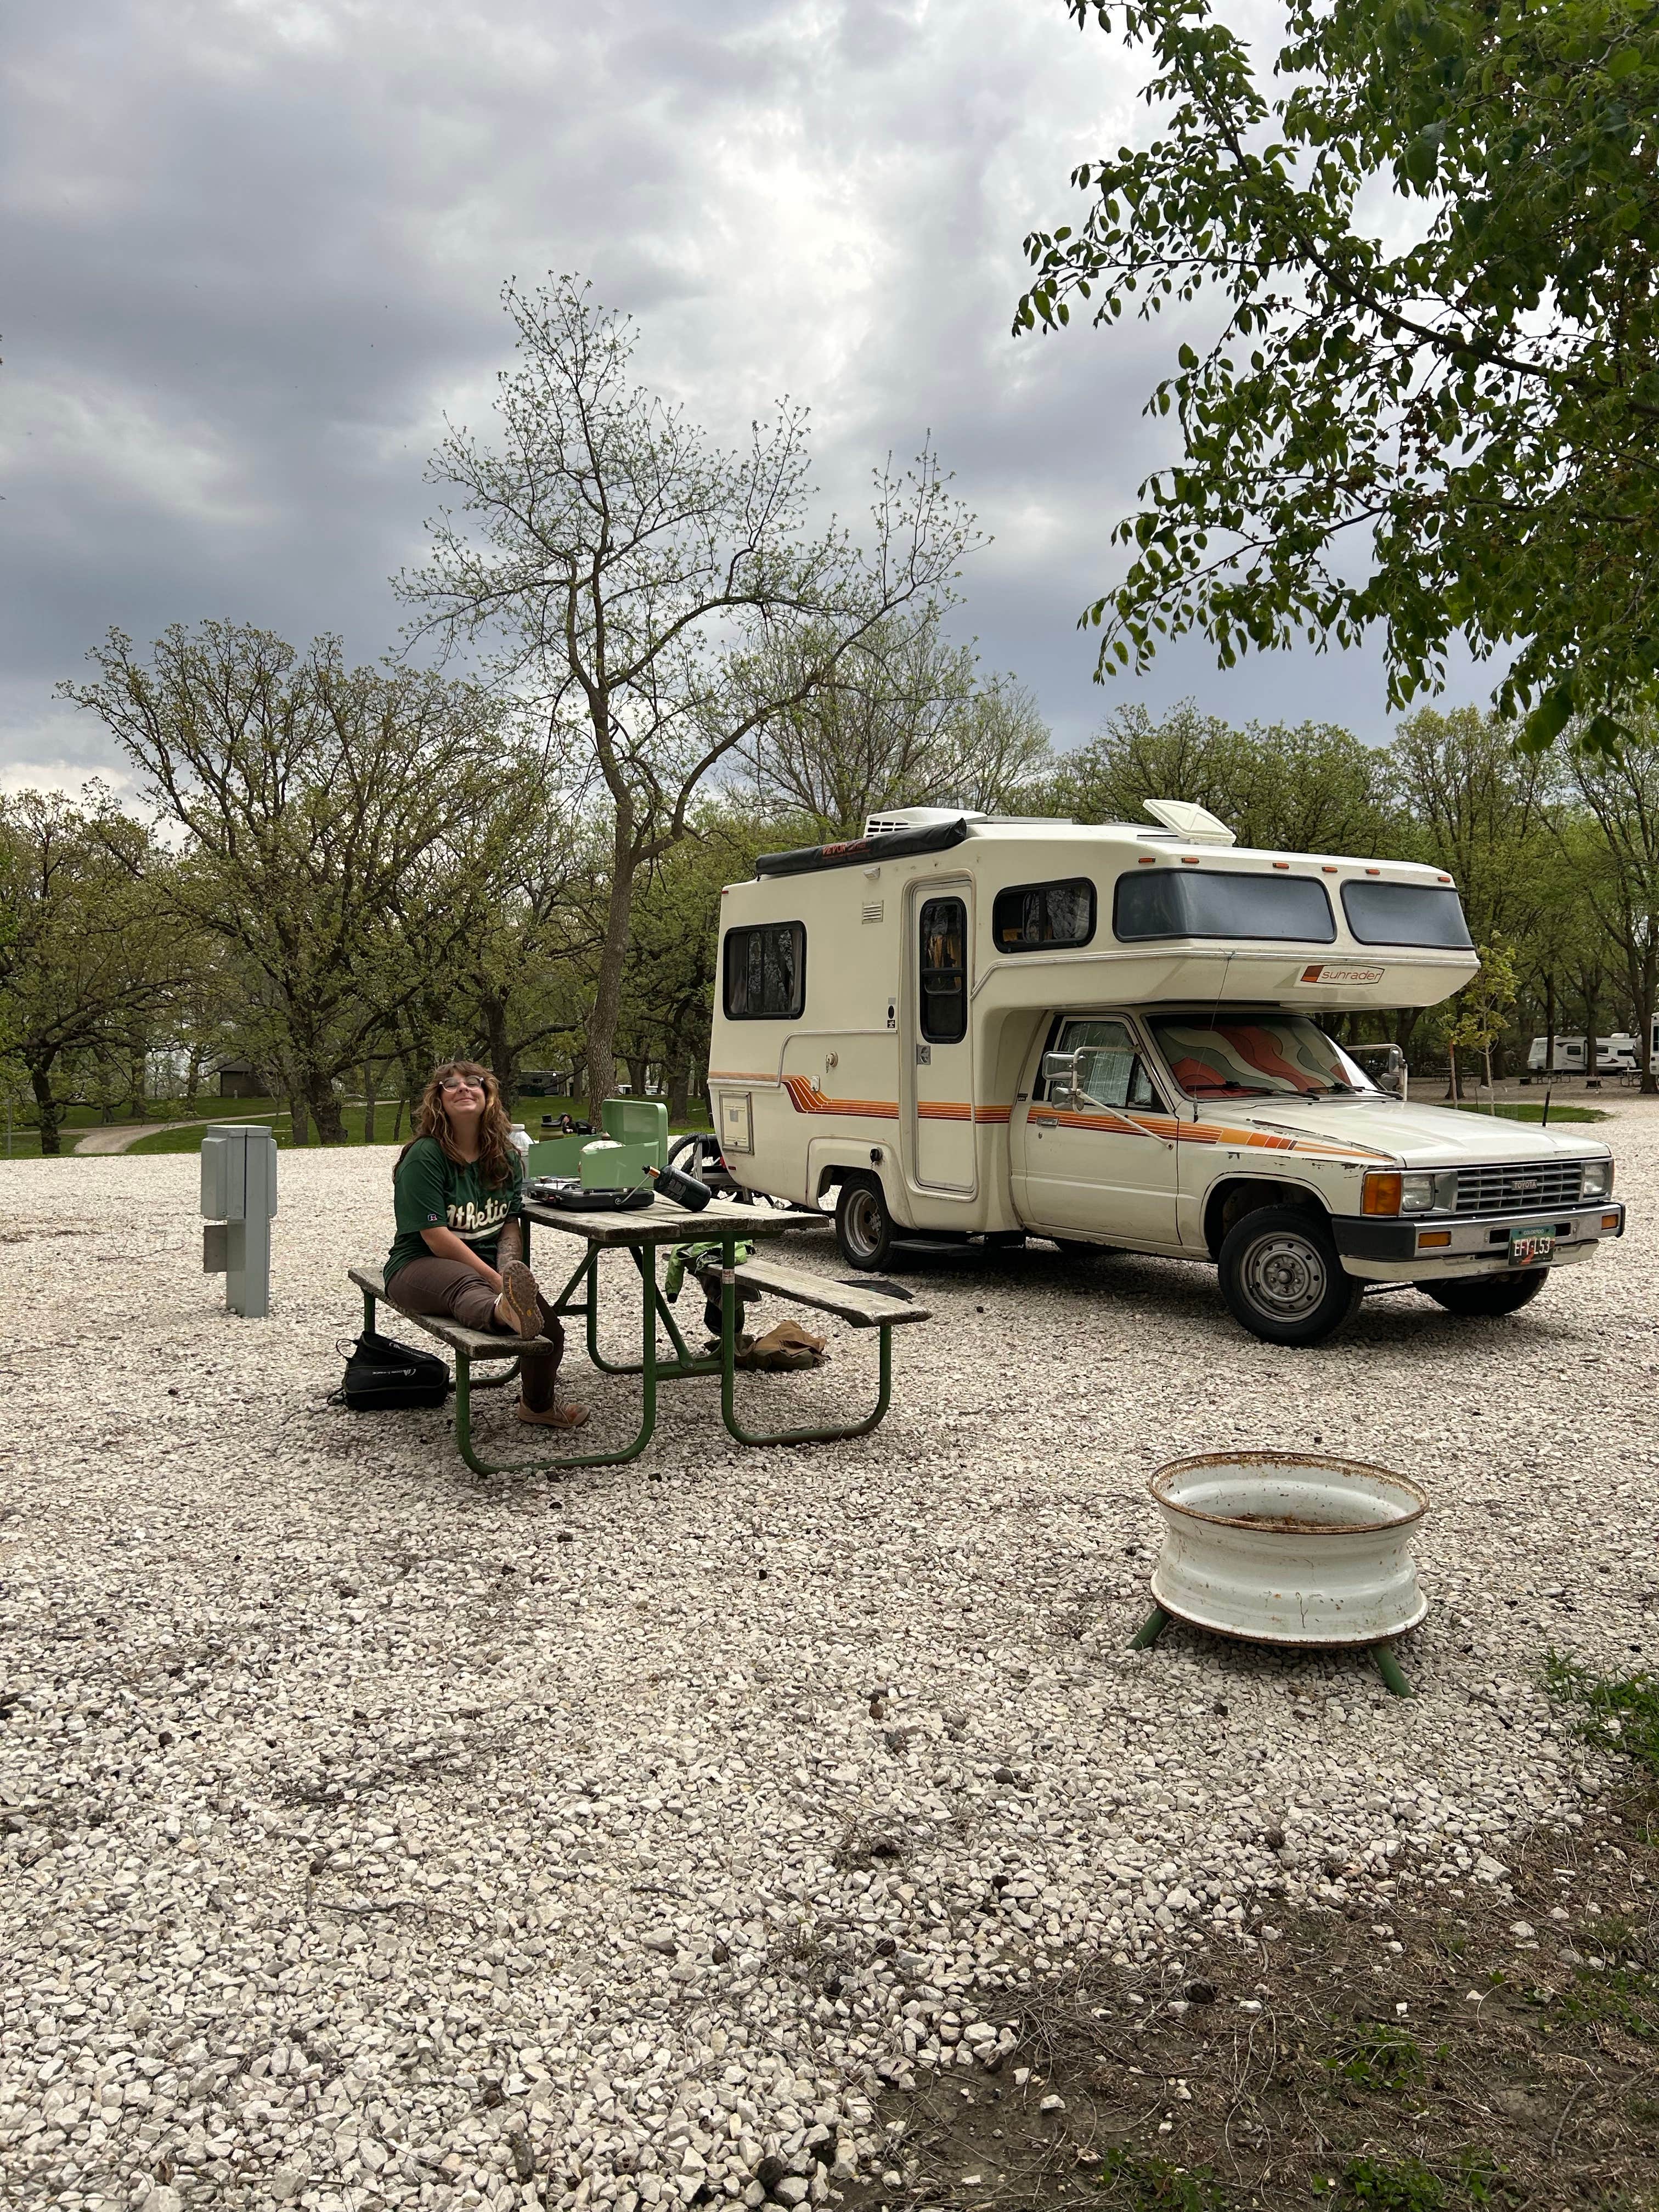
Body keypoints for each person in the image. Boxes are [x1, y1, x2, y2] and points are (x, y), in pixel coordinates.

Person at [382, 1061, 588, 1430]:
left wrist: (508, 1271)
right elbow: (436, 1237)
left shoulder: (505, 1157)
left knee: (550, 1329)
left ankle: (537, 1406)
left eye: (473, 1083)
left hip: (485, 1271)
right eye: (451, 1085)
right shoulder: (425, 1156)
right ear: (438, 1101)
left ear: (488, 1095)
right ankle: (501, 1311)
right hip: (418, 1265)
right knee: (467, 1285)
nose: (463, 1088)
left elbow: (509, 1225)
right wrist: (497, 1283)